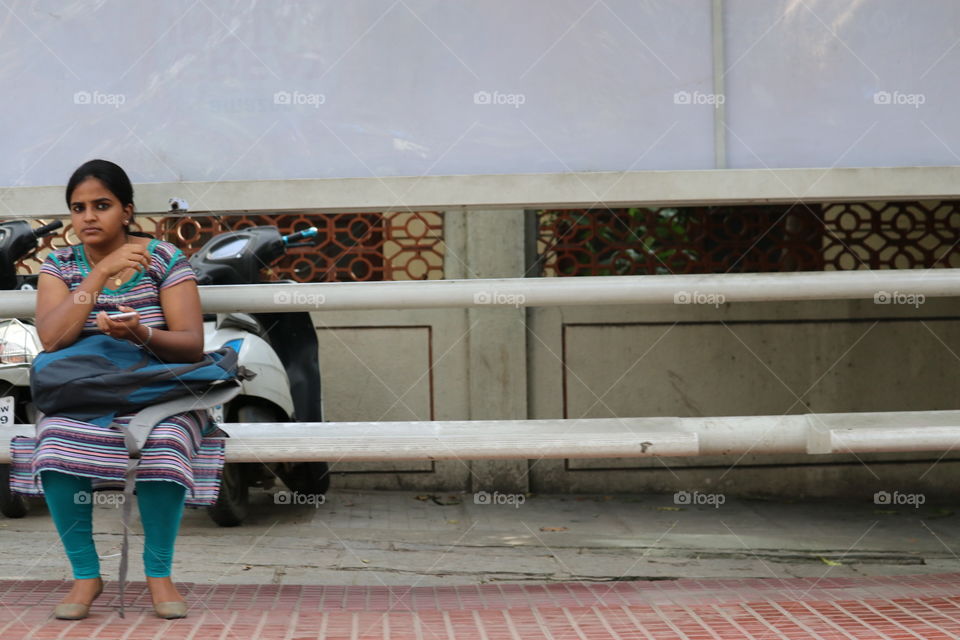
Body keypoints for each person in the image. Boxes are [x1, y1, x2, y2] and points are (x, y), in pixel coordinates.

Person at [11, 159, 225, 620]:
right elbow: (52, 338)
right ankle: (86, 575)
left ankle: (158, 574)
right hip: (84, 395)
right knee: (53, 443)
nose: (88, 216)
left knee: (166, 444)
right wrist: (100, 273)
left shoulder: (164, 258)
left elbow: (191, 344)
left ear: (127, 210)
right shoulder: (60, 264)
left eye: (102, 205)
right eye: (78, 208)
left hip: (160, 393)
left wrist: (141, 333)